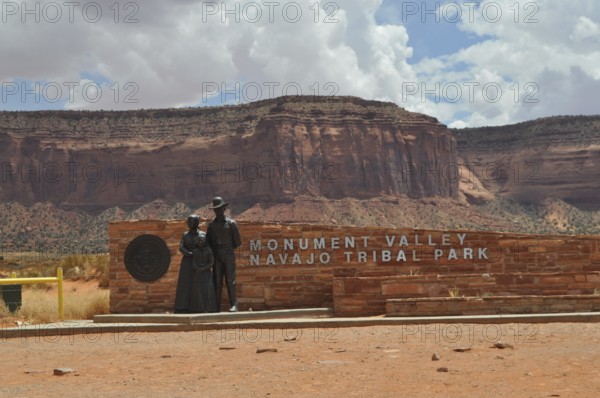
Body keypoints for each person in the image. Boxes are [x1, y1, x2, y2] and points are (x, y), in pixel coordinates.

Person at [206, 196, 242, 312]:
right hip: (216, 256)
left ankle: (234, 305)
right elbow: (208, 242)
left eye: (219, 208)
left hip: (228, 254)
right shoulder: (211, 226)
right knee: (217, 281)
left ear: (224, 209)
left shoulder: (231, 223)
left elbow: (237, 242)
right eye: (215, 209)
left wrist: (227, 249)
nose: (217, 211)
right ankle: (216, 307)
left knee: (230, 280)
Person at [174, 214, 202, 313]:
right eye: (188, 222)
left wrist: (198, 255)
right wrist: (189, 253)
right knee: (185, 284)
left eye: (191, 221)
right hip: (187, 261)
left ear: (196, 223)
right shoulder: (185, 235)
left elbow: (206, 247)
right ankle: (182, 307)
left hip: (199, 261)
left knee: (198, 283)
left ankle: (198, 307)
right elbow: (181, 247)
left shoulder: (202, 234)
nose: (189, 224)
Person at [189, 234, 217, 313]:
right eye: (199, 240)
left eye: (202, 240)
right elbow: (193, 262)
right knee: (197, 290)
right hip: (197, 273)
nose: (200, 242)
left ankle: (208, 308)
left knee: (207, 289)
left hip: (206, 273)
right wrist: (197, 268)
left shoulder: (209, 251)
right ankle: (197, 308)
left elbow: (211, 262)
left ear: (205, 241)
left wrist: (204, 268)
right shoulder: (195, 251)